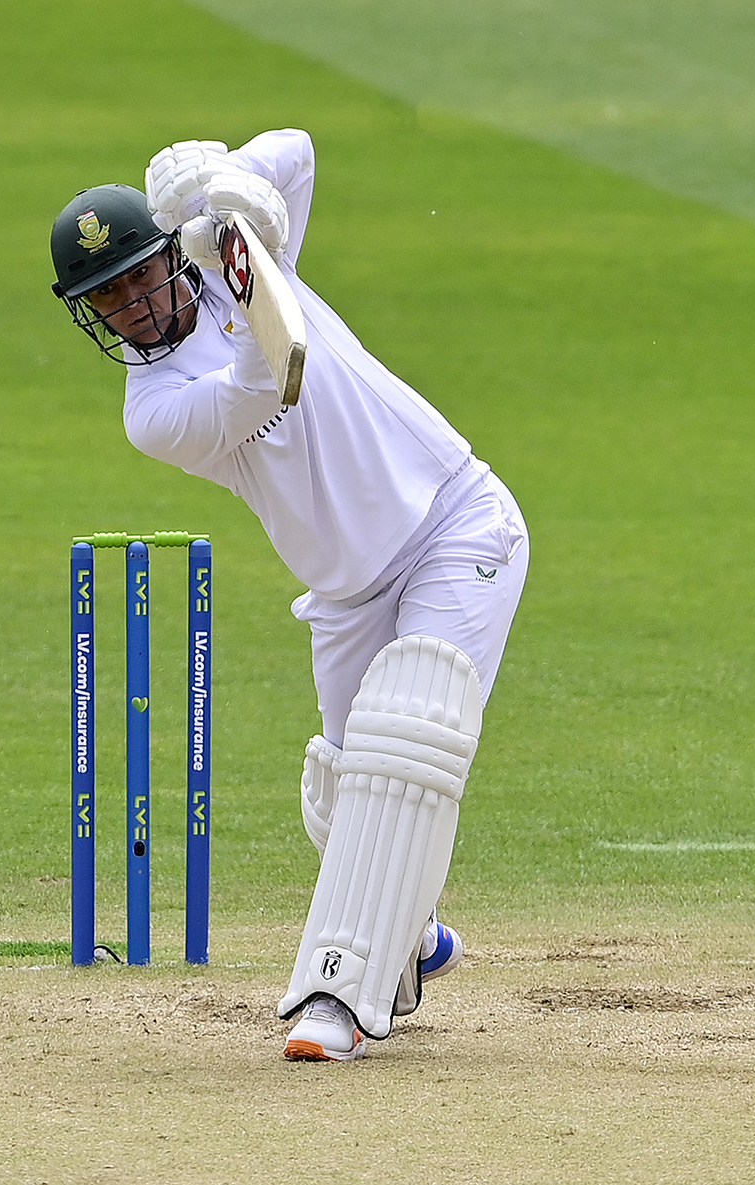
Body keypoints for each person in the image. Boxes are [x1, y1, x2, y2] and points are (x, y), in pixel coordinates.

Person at [48, 130, 528, 1061]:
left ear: (165, 256)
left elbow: (298, 152)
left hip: (457, 522)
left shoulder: (238, 261)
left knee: (404, 745)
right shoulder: (154, 412)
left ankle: (335, 1000)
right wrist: (245, 264)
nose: (132, 306)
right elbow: (266, 373)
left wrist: (228, 188)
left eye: (138, 277)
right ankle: (416, 939)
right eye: (107, 297)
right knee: (344, 799)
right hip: (346, 591)